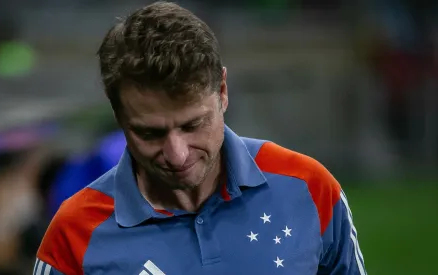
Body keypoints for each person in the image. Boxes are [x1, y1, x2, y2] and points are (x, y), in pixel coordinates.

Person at [34, 2, 367, 275]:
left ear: (222, 92)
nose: (177, 155)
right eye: (150, 133)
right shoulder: (73, 235)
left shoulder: (309, 188)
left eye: (193, 125)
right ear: (118, 115)